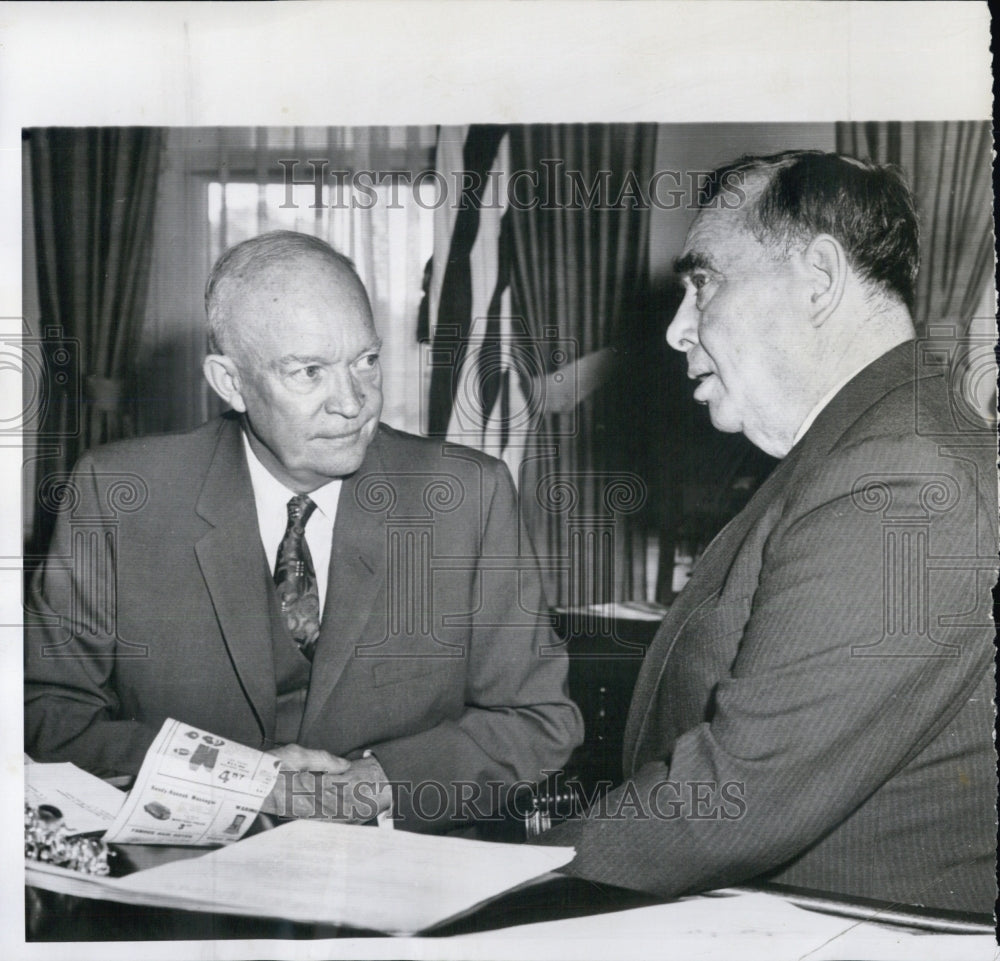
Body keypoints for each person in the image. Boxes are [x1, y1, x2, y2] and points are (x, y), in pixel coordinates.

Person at [534, 151, 997, 914]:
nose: (678, 329)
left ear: (819, 278)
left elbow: (737, 793)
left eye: (704, 281)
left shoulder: (900, 475)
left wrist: (485, 877)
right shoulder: (870, 446)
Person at [25, 230, 583, 831]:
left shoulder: (467, 495)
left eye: (366, 362)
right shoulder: (118, 495)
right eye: (309, 372)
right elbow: (44, 714)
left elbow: (538, 720)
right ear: (230, 382)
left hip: (399, 868)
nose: (353, 403)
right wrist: (241, 780)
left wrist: (382, 783)